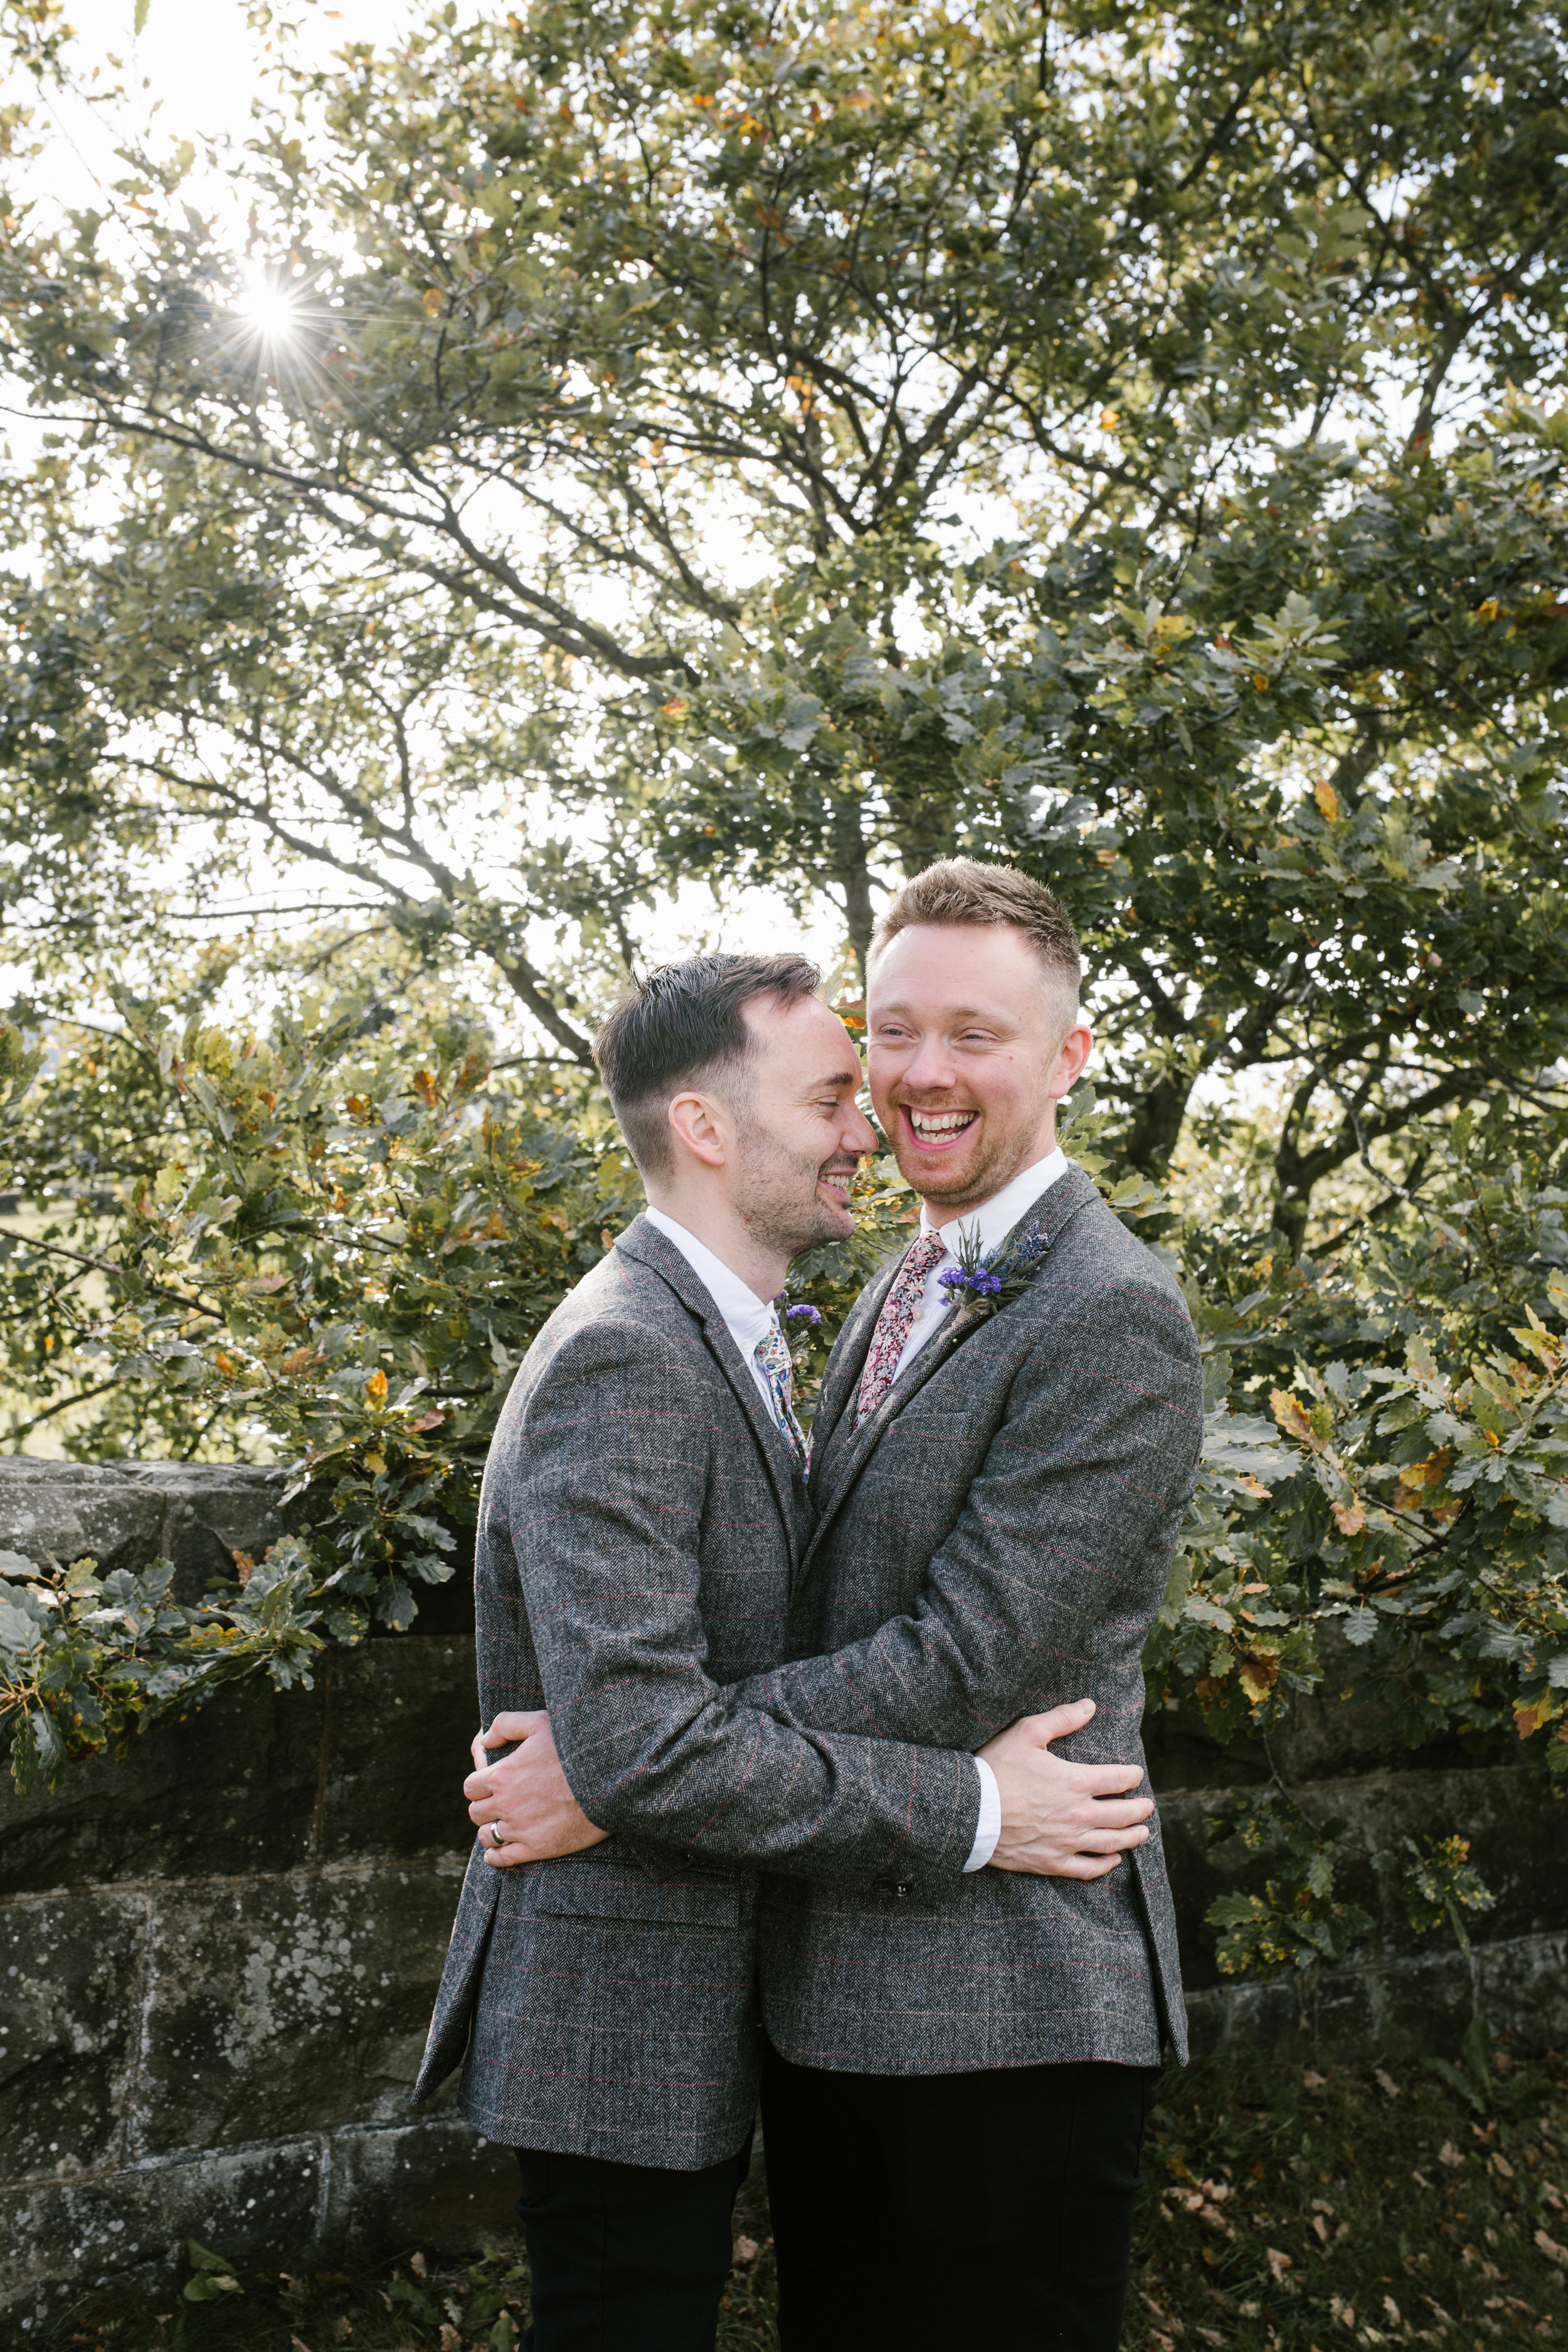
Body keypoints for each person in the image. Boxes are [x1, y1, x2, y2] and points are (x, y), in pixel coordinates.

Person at [415, 948, 1158, 2352]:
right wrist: (978, 1808)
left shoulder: (772, 1324)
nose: (866, 1122)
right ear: (705, 1127)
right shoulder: (629, 1351)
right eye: (834, 1090)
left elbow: (712, 1703)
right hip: (617, 2012)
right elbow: (655, 1728)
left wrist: (616, 1758)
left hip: (798, 1999)